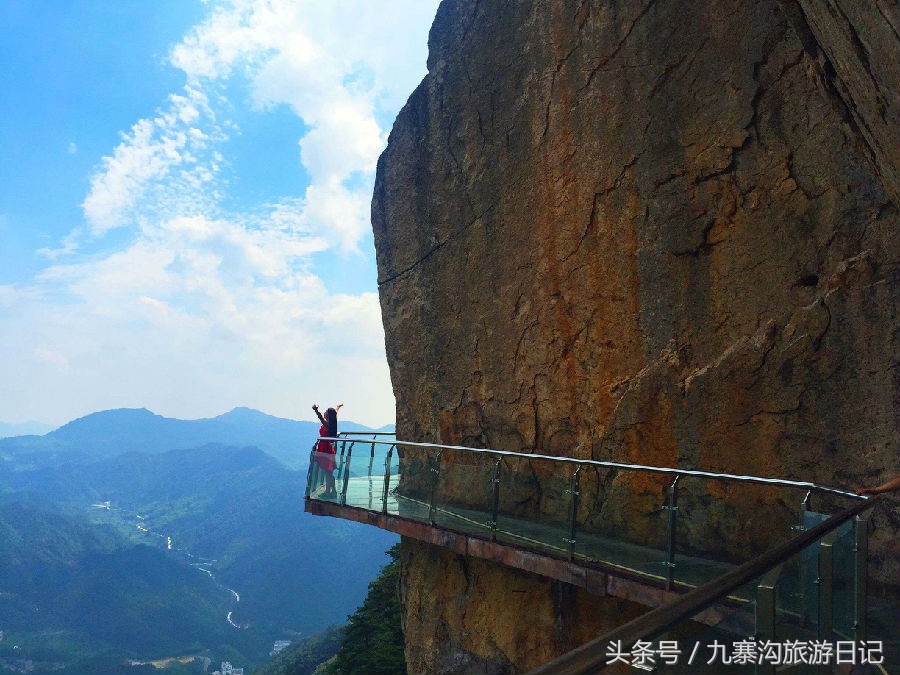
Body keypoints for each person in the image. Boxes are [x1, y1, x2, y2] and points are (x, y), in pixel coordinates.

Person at [312, 403, 343, 498]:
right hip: (328, 449)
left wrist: (316, 410)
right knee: (329, 473)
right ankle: (332, 491)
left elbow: (321, 418)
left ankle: (328, 492)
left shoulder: (327, 424)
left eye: (326, 412)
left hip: (324, 450)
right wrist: (338, 407)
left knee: (327, 473)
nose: (324, 412)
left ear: (328, 415)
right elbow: (335, 412)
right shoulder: (331, 422)